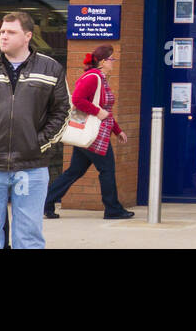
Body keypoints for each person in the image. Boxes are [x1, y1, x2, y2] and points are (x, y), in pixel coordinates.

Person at [0, 11, 69, 249]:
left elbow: (62, 112)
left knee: (29, 238)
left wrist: (38, 143)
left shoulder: (51, 69)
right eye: (2, 32)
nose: (3, 37)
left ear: (27, 36)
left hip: (32, 166)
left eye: (11, 32)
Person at [44, 44, 134, 220]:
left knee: (74, 171)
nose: (113, 62)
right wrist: (97, 111)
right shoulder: (93, 78)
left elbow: (104, 110)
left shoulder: (100, 77)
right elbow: (78, 99)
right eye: (111, 59)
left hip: (94, 133)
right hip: (94, 136)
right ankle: (113, 209)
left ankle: (46, 202)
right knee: (107, 170)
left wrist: (117, 130)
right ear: (102, 61)